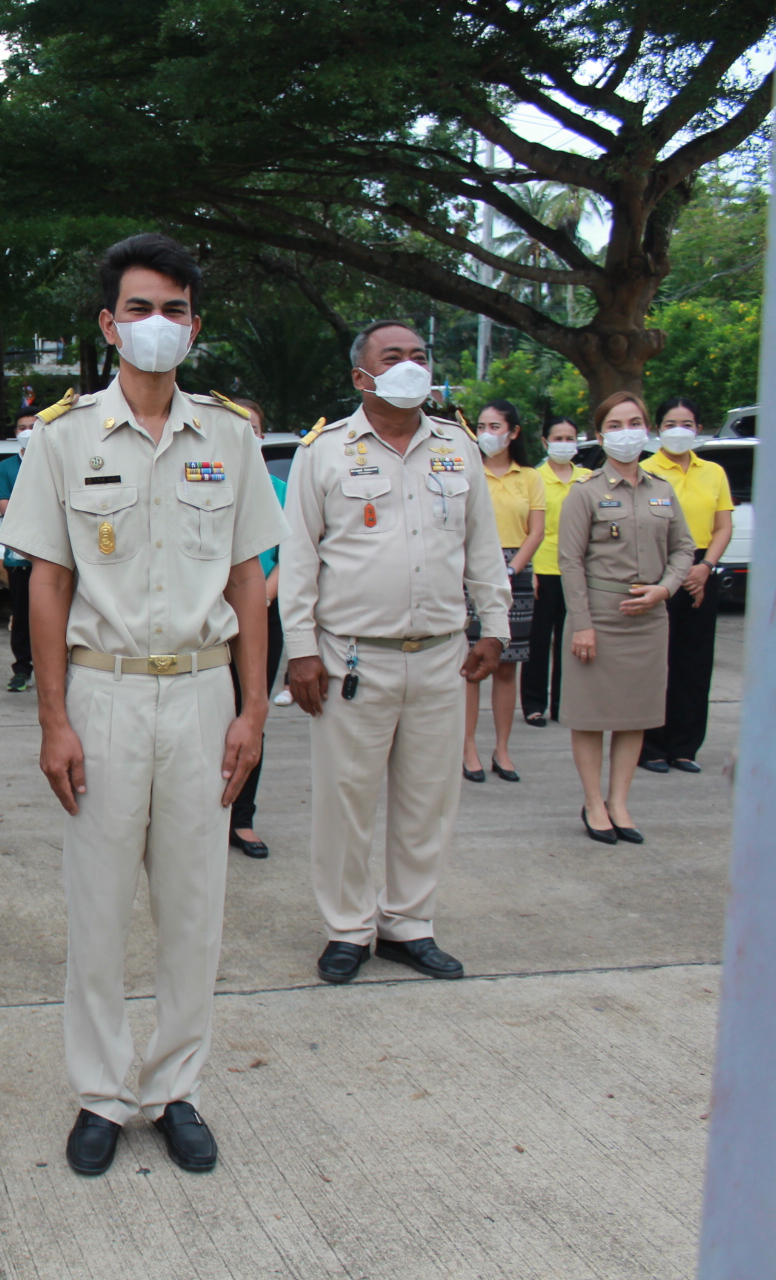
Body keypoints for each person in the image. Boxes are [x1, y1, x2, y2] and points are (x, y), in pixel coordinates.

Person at [0, 234, 285, 1180]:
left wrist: (254, 711)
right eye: (136, 308)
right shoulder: (62, 437)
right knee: (99, 904)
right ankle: (101, 1093)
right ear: (106, 323)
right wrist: (53, 719)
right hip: (107, 693)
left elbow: (250, 581)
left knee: (195, 908)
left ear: (193, 325)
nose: (153, 325)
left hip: (205, 696)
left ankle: (171, 1089)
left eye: (171, 308)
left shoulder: (231, 437)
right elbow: (47, 582)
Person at [279, 320, 509, 987]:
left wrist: (492, 625)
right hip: (352, 658)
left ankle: (409, 923)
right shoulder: (324, 451)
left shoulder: (458, 448)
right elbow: (299, 560)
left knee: (428, 798)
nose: (410, 364)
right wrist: (301, 653)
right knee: (346, 802)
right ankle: (348, 928)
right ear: (362, 377)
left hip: (440, 655)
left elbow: (482, 547)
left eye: (417, 355)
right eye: (393, 356)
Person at [561, 393, 695, 843]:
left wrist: (667, 587)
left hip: (649, 617)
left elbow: (684, 548)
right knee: (591, 714)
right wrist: (582, 622)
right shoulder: (586, 492)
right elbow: (570, 561)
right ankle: (593, 803)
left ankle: (619, 801)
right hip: (600, 614)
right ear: (600, 436)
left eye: (635, 422)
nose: (627, 432)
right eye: (615, 425)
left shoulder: (662, 489)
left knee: (634, 714)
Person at [638, 396, 733, 773]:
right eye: (671, 423)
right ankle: (652, 746)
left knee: (693, 663)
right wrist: (674, 573)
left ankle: (685, 746)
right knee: (656, 661)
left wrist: (705, 566)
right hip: (657, 570)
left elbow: (723, 526)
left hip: (700, 572)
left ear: (698, 427)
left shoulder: (713, 472)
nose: (680, 430)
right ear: (657, 429)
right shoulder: (644, 470)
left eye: (688, 424)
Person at [461, 400, 545, 783]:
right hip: (469, 571)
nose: (486, 433)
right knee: (471, 665)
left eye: (495, 426)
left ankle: (503, 749)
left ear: (513, 432)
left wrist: (511, 570)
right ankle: (468, 748)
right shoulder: (465, 469)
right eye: (481, 425)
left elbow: (537, 531)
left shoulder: (529, 477)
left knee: (508, 665)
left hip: (515, 571)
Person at [222, 396, 288, 859]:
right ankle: (205, 811)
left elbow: (295, 554)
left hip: (263, 611)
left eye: (254, 426)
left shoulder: (281, 489)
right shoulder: (206, 479)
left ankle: (242, 816)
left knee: (251, 710)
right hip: (207, 623)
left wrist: (261, 596)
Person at [523, 418, 593, 726]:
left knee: (571, 641)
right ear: (544, 442)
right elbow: (528, 528)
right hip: (544, 568)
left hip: (578, 571)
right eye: (558, 437)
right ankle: (534, 704)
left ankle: (563, 703)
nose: (565, 443)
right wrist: (531, 570)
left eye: (570, 437)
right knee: (537, 641)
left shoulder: (588, 478)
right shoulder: (535, 478)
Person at [0, 408, 38, 693]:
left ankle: (56, 669)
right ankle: (22, 670)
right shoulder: (7, 467)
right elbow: (5, 507)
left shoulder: (55, 460)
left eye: (33, 426)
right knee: (21, 616)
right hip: (19, 555)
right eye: (22, 427)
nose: (27, 432)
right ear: (15, 433)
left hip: (54, 557)